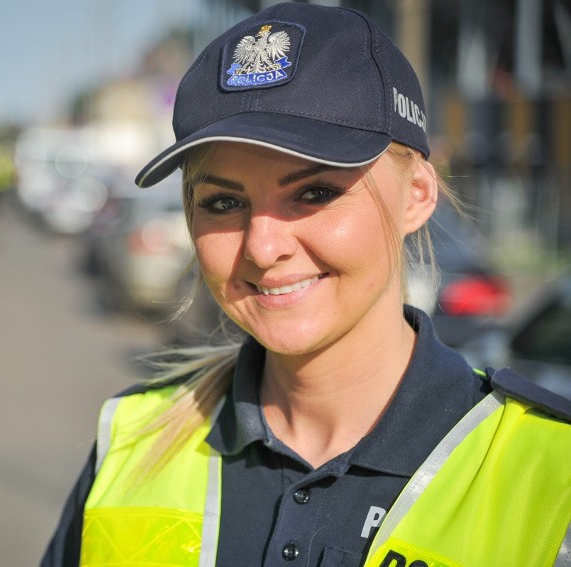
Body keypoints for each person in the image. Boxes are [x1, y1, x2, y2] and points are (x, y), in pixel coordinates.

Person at [42, 3, 571, 566]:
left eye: (314, 193)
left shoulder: (553, 470)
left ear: (417, 193)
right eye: (223, 202)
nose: (264, 248)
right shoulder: (131, 442)